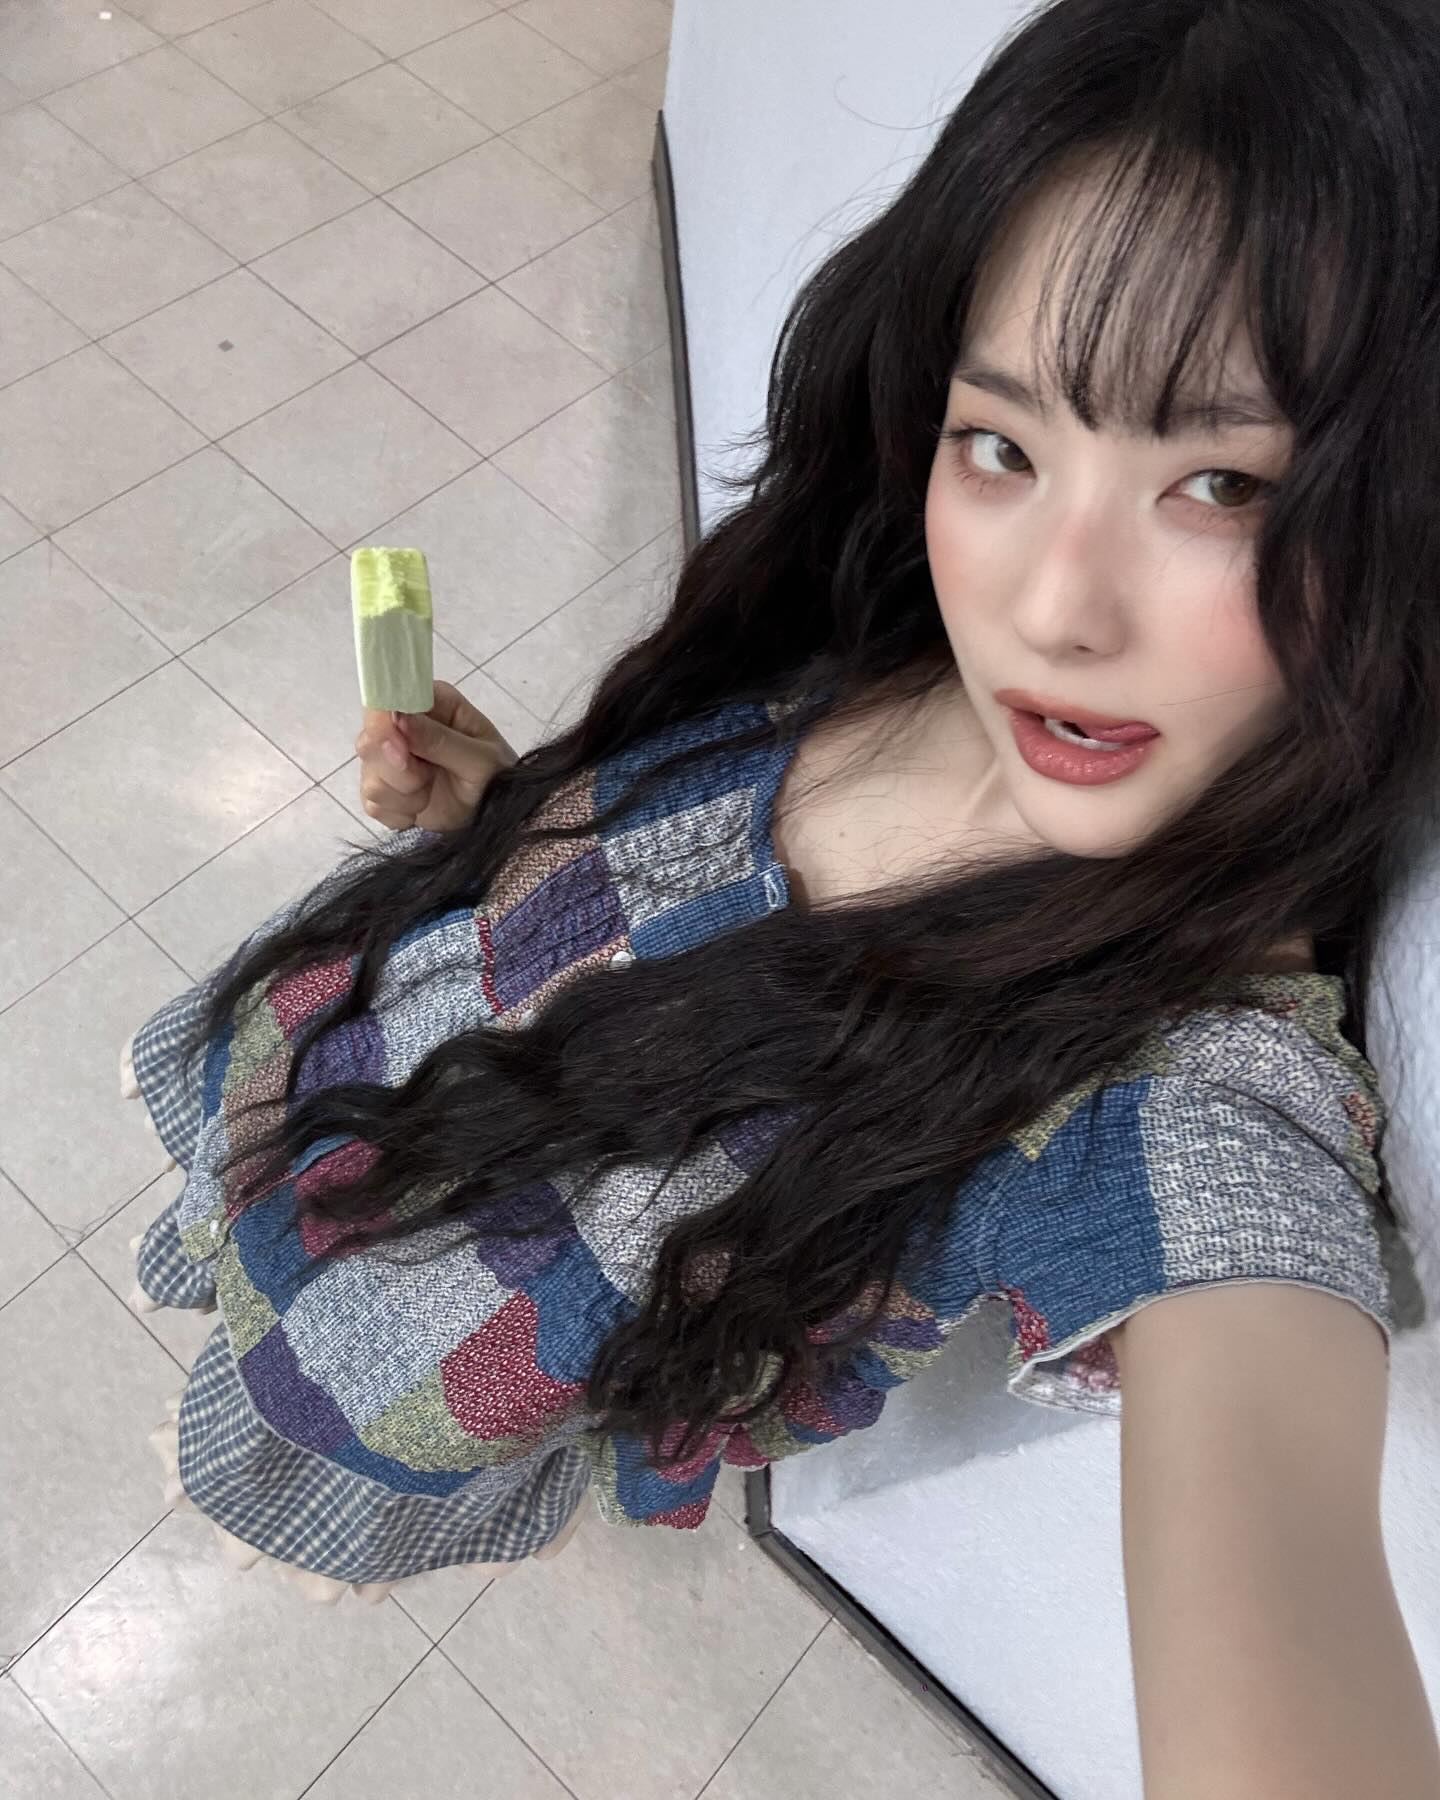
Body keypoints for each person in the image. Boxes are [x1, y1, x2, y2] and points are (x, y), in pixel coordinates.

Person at [121, 0, 1440, 1790]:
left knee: (301, 1401)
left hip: (412, 1366)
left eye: (1220, 485)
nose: (1053, 608)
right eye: (1005, 444)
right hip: (357, 1098)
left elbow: (1273, 1581)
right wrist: (512, 818)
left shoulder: (1185, 1096)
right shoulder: (888, 619)